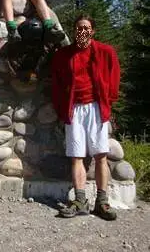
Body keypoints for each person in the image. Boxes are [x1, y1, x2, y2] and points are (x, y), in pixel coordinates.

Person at [51, 14, 120, 221]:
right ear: (74, 31)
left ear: (92, 31)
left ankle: (102, 201)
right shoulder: (64, 55)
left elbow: (114, 76)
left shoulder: (105, 52)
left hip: (97, 108)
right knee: (76, 156)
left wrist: (108, 102)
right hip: (74, 109)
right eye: (79, 28)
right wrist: (61, 108)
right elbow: (56, 83)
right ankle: (80, 200)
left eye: (86, 28)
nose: (82, 31)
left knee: (100, 155)